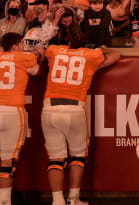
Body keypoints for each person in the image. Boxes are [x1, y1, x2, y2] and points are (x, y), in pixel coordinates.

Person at [42, 38, 119, 205]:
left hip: (50, 107)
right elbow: (115, 54)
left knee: (55, 158)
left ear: (68, 43)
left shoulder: (55, 50)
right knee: (78, 155)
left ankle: (57, 200)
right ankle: (74, 198)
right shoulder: (89, 55)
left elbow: (43, 52)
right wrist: (99, 50)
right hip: (75, 107)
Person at [0, 33, 39, 205]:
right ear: (16, 46)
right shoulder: (25, 58)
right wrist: (38, 53)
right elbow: (36, 70)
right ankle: (4, 201)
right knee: (7, 160)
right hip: (12, 111)